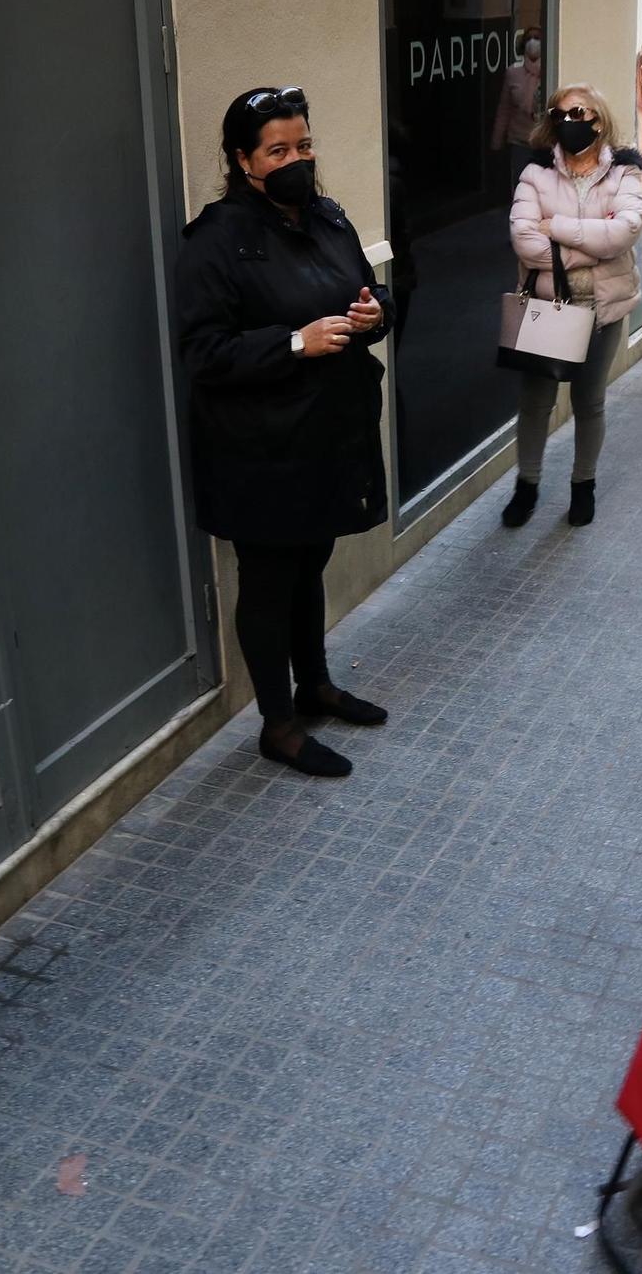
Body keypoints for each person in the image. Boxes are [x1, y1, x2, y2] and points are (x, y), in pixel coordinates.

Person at [177, 86, 395, 779]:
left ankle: (317, 685)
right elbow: (204, 353)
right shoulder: (216, 239)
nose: (297, 159)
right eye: (278, 149)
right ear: (244, 160)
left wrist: (373, 314)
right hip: (260, 450)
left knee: (310, 565)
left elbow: (372, 292)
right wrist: (295, 344)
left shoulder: (326, 216)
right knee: (270, 582)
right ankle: (278, 724)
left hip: (328, 437)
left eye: (303, 145)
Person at [502, 84, 642, 530]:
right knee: (535, 402)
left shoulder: (625, 171)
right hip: (548, 308)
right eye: (559, 114)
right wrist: (592, 243)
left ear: (597, 120)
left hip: (602, 310)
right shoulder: (536, 173)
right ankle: (527, 485)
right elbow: (526, 243)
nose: (568, 121)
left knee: (589, 402)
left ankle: (583, 485)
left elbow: (625, 231)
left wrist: (559, 227)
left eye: (577, 113)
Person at [491, 27, 545, 184]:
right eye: (529, 39)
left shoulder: (550, 71)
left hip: (544, 143)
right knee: (521, 184)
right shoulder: (512, 73)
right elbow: (504, 109)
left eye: (537, 38)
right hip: (520, 142)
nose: (533, 42)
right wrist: (497, 140)